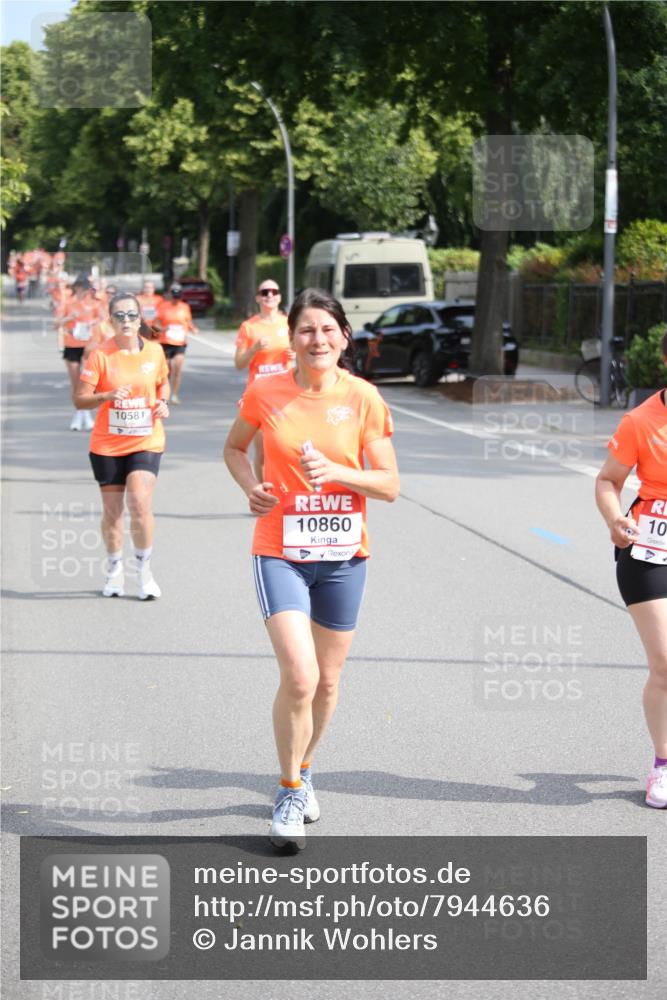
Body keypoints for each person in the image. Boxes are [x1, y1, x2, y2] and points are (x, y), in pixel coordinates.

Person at [224, 288, 400, 850]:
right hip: (280, 549)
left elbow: (390, 484)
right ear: (291, 338)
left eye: (327, 330)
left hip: (345, 556)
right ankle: (288, 788)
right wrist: (251, 486)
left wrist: (341, 473)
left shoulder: (365, 397)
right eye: (306, 330)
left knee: (326, 682)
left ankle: (306, 767)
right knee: (299, 675)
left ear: (344, 337)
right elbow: (233, 448)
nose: (317, 340)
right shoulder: (265, 390)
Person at [595, 327, 667, 809]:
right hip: (649, 553)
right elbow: (607, 480)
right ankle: (663, 765)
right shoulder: (642, 421)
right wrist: (615, 517)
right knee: (666, 664)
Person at [74, 292, 170, 600]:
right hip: (107, 445)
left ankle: (144, 572)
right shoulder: (100, 355)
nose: (126, 321)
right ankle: (114, 569)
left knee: (139, 502)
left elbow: (162, 383)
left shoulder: (155, 352)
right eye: (119, 316)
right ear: (110, 321)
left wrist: (163, 402)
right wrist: (107, 396)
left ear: (140, 319)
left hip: (146, 439)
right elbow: (80, 399)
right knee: (113, 512)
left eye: (131, 315)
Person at [234, 280, 293, 481]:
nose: (270, 295)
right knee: (263, 451)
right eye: (265, 292)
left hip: (286, 394)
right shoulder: (249, 327)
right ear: (258, 297)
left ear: (279, 297)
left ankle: (287, 488)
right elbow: (239, 363)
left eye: (274, 291)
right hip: (259, 395)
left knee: (288, 445)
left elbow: (304, 357)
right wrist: (254, 349)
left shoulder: (288, 323)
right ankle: (264, 495)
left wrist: (295, 356)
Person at [56, 276, 104, 430]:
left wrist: (92, 323)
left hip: (89, 345)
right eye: (82, 288)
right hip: (72, 344)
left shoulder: (94, 303)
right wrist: (69, 319)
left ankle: (86, 414)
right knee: (75, 383)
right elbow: (56, 323)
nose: (85, 291)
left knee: (87, 382)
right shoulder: (67, 303)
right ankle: (79, 413)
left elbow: (104, 319)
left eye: (87, 288)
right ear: (76, 288)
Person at [154, 283, 197, 404]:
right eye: (174, 296)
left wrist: (193, 329)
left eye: (178, 296)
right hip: (166, 341)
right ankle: (163, 392)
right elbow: (155, 325)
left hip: (180, 342)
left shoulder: (185, 307)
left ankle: (174, 394)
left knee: (178, 366)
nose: (176, 299)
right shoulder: (163, 307)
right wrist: (163, 329)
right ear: (170, 295)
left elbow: (188, 322)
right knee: (166, 368)